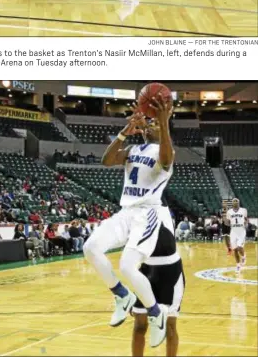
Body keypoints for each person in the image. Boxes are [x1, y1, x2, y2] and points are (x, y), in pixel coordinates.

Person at [83, 94, 175, 349]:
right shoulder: (134, 149)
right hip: (126, 212)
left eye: (154, 123)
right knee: (90, 248)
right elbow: (107, 160)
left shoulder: (165, 151)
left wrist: (164, 122)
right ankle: (122, 295)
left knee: (127, 266)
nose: (150, 123)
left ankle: (156, 314)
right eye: (150, 121)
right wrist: (126, 130)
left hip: (147, 214)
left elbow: (166, 159)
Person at [131, 205, 185, 357]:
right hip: (147, 271)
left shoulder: (162, 206)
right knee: (140, 326)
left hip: (171, 271)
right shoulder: (132, 214)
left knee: (170, 326)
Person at [226, 198, 248, 273]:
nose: (235, 203)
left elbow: (246, 219)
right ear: (232, 203)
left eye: (236, 201)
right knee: (235, 249)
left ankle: (244, 256)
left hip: (241, 230)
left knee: (239, 247)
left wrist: (245, 224)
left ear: (239, 203)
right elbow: (228, 222)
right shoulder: (229, 212)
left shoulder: (243, 210)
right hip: (233, 231)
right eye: (234, 201)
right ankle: (238, 265)